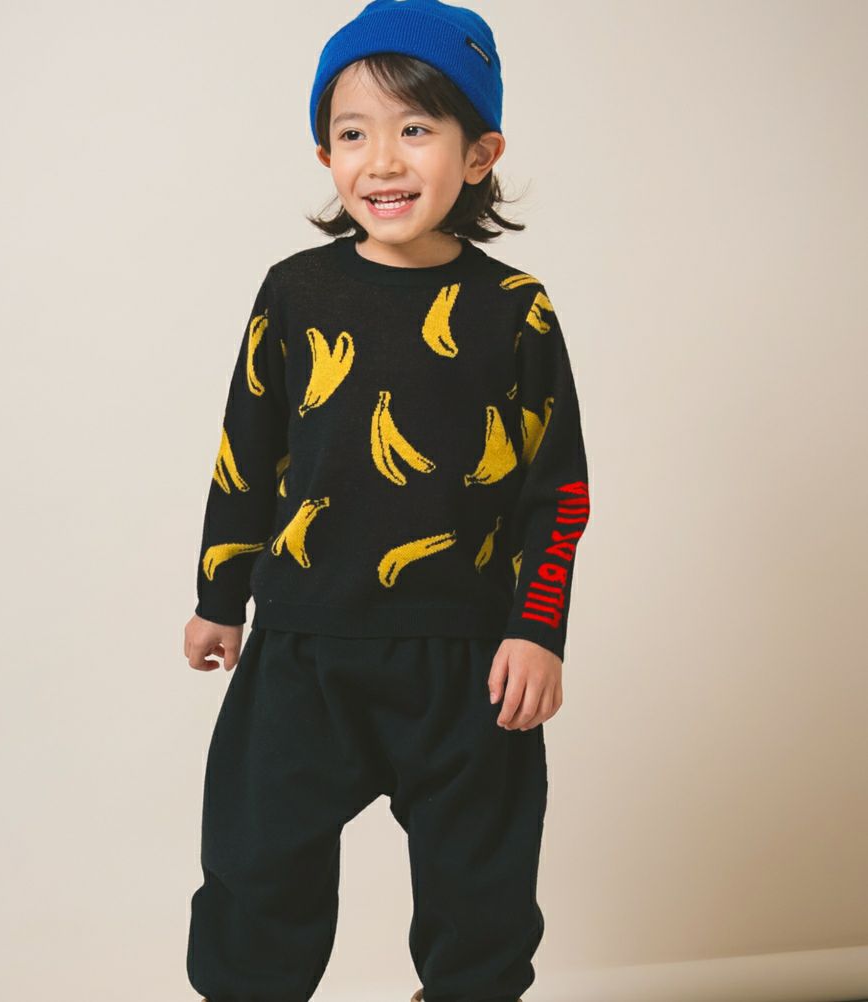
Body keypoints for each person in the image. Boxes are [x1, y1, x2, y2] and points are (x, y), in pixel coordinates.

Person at [183, 2, 591, 1000]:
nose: (383, 160)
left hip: (467, 659)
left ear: (480, 153)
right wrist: (218, 596)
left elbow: (559, 488)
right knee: (254, 873)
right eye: (353, 133)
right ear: (326, 154)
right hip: (304, 647)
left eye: (416, 128)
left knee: (482, 899)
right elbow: (247, 452)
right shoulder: (295, 294)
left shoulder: (515, 310)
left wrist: (538, 629)